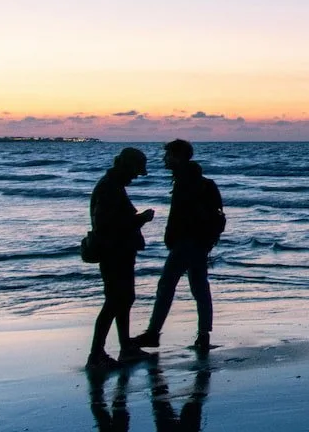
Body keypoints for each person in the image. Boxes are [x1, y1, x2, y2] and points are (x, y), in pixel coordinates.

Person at [133, 139, 224, 351]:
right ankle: (203, 335)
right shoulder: (198, 181)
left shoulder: (186, 181)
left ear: (178, 157)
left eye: (168, 156)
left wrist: (174, 238)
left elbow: (182, 217)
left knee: (166, 286)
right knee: (199, 288)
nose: (165, 160)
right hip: (200, 243)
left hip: (187, 243)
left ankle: (153, 333)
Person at [87, 147, 155, 369]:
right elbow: (106, 226)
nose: (136, 177)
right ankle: (96, 354)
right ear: (127, 167)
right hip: (113, 253)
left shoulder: (112, 186)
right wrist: (140, 219)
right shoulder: (108, 189)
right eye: (135, 171)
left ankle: (125, 348)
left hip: (120, 252)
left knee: (124, 300)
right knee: (114, 302)